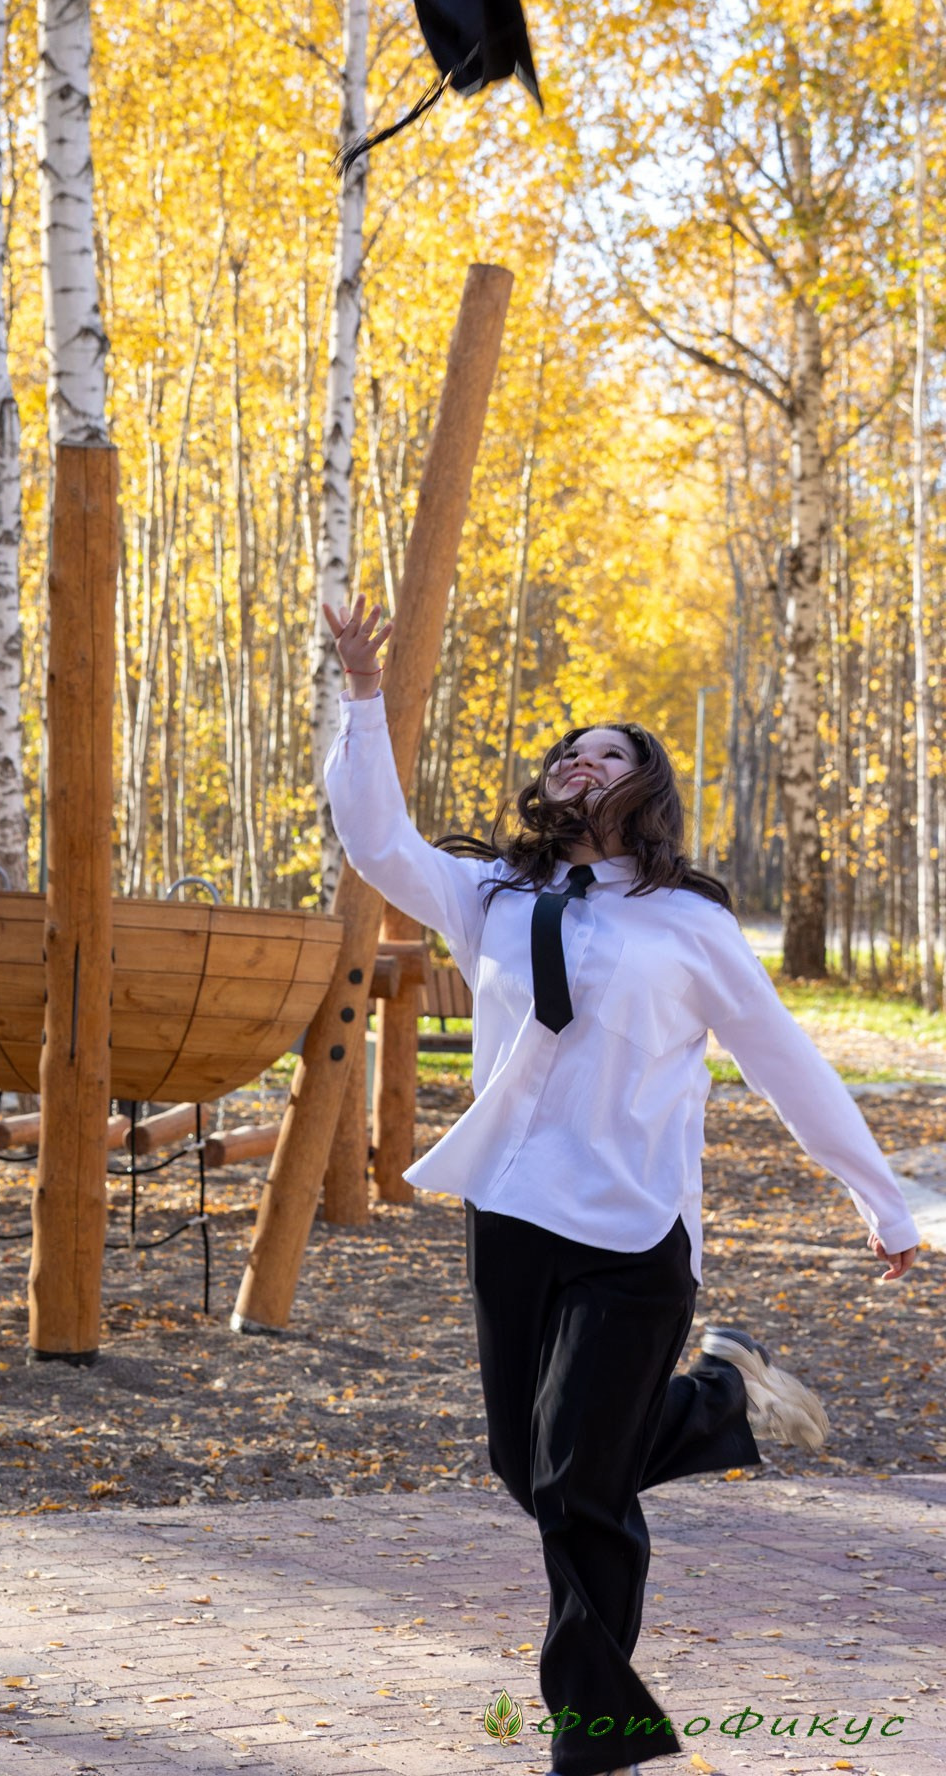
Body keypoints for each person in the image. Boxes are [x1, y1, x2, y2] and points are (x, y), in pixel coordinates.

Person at [321, 592, 920, 1776]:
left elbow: (784, 1063)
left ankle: (593, 1739)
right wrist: (360, 697)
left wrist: (878, 1196)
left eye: (610, 754)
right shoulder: (485, 894)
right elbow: (374, 839)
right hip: (512, 1215)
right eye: (567, 753)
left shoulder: (685, 923)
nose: (581, 762)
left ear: (643, 792)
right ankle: (719, 1405)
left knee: (574, 1484)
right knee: (526, 1465)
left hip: (636, 1230)